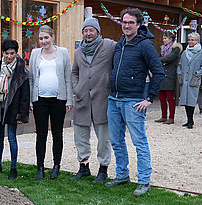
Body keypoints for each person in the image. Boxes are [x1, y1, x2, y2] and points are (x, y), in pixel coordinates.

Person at [104, 8, 164, 197]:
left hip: (133, 101)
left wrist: (149, 99)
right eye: (124, 22)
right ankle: (122, 175)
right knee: (116, 141)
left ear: (138, 24)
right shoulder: (120, 44)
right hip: (114, 99)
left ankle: (144, 180)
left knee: (139, 142)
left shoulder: (145, 45)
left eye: (131, 22)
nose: (127, 25)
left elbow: (159, 72)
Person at [70, 17, 115, 183]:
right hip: (82, 100)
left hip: (102, 100)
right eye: (85, 30)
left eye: (91, 30)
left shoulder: (109, 46)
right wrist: (76, 88)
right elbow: (74, 72)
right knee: (80, 136)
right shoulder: (79, 51)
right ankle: (84, 167)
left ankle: (103, 170)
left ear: (97, 31)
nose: (88, 33)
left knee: (103, 138)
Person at [29, 25, 73, 180]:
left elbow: (68, 77)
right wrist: (31, 101)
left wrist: (69, 99)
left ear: (52, 37)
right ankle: (40, 167)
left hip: (58, 100)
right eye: (41, 38)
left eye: (46, 38)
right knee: (41, 135)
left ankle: (56, 165)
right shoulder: (35, 54)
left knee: (57, 134)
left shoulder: (63, 53)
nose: (43, 41)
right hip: (40, 100)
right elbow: (31, 78)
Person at [0, 39, 30, 180]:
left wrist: (22, 115)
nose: (9, 56)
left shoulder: (22, 71)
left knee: (12, 138)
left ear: (16, 53)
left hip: (13, 109)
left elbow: (25, 95)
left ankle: (13, 168)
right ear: (2, 53)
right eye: (7, 53)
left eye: (12, 53)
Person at [177, 33, 202, 129]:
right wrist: (179, 73)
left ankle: (191, 120)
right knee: (185, 100)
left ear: (197, 41)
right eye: (189, 40)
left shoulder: (201, 53)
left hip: (193, 79)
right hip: (184, 79)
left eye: (192, 40)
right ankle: (189, 119)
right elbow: (180, 65)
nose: (190, 41)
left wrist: (197, 73)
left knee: (192, 100)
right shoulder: (185, 52)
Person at [154, 31, 182, 125]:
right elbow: (161, 59)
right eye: (163, 38)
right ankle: (163, 116)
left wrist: (158, 60)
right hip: (162, 74)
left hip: (170, 75)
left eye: (165, 38)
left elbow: (169, 58)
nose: (163, 40)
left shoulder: (176, 49)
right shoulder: (163, 49)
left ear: (171, 39)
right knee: (162, 97)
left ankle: (171, 117)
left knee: (170, 98)